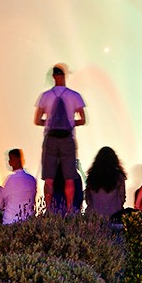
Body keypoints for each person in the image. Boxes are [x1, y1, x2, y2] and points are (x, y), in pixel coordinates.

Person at [34, 63, 87, 213]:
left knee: (49, 178)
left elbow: (37, 120)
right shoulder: (74, 95)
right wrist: (71, 122)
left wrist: (49, 122)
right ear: (64, 76)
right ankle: (70, 208)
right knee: (69, 177)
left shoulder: (45, 96)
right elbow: (83, 120)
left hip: (51, 138)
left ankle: (49, 209)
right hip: (67, 138)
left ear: (53, 77)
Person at [85, 147, 127, 219]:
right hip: (114, 215)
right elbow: (122, 197)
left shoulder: (92, 176)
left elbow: (87, 198)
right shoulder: (118, 176)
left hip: (93, 216)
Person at [0, 151, 37, 224]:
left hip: (10, 222)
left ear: (13, 161)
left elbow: (0, 204)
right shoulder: (32, 179)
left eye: (10, 159)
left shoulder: (9, 180)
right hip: (29, 223)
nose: (8, 162)